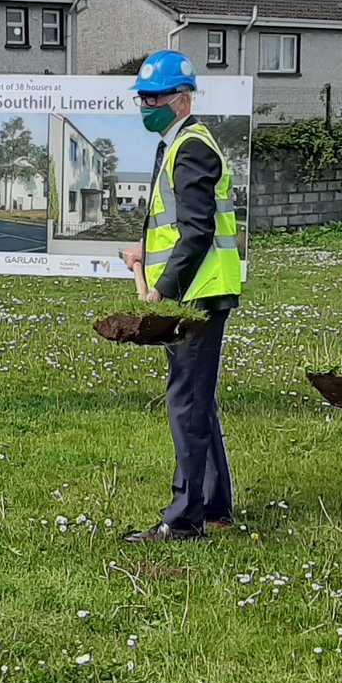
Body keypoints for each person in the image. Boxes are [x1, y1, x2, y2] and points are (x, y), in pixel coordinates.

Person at [118, 48, 242, 543]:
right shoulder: (174, 144)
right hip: (196, 293)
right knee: (198, 402)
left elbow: (195, 233)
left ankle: (185, 518)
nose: (146, 105)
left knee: (185, 405)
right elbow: (172, 225)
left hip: (197, 297)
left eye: (155, 97)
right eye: (142, 97)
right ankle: (214, 506)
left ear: (183, 99)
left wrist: (163, 295)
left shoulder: (192, 148)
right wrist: (142, 250)